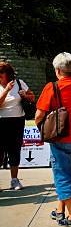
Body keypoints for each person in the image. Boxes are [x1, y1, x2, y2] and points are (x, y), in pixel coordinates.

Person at [35, 53, 71, 227]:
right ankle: (59, 210)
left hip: (61, 139)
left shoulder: (52, 87)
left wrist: (43, 129)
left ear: (58, 70)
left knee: (63, 177)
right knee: (67, 175)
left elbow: (39, 115)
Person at [0, 61, 35, 190]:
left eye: (1, 74)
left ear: (7, 74)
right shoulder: (5, 87)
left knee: (14, 150)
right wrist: (6, 91)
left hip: (17, 121)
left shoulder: (19, 83)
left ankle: (14, 180)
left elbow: (32, 97)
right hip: (1, 121)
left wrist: (25, 95)